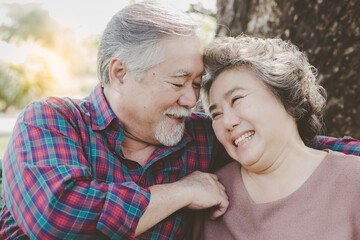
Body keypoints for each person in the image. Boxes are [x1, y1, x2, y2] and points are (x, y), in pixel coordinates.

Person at [0, 1, 358, 239]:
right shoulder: (51, 121)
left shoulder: (200, 135)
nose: (191, 100)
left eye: (195, 84)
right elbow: (56, 215)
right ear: (121, 73)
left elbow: (283, 141)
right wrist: (182, 191)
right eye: (177, 82)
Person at [192, 35, 360, 239]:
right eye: (216, 114)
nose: (227, 122)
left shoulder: (352, 179)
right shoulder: (208, 193)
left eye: (236, 99)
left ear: (285, 96)